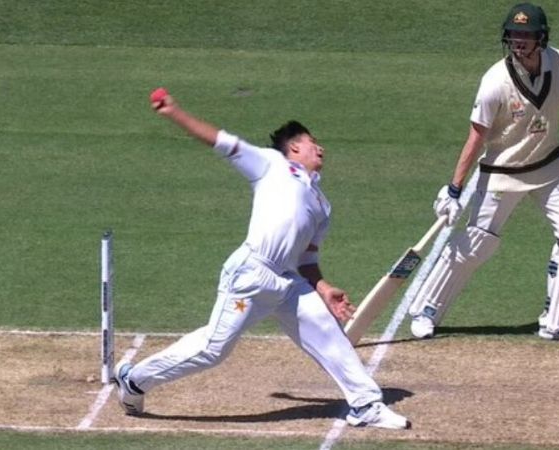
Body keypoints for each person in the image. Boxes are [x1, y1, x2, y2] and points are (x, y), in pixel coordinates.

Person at [113, 90, 411, 430]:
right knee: (213, 350)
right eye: (313, 142)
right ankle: (134, 380)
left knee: (325, 327)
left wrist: (324, 288)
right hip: (251, 275)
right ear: (294, 147)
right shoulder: (271, 164)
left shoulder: (322, 204)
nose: (321, 148)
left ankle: (366, 404)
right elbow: (221, 141)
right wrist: (174, 112)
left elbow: (307, 259)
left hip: (288, 282)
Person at [408, 2, 559, 342]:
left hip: (550, 166)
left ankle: (557, 321)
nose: (518, 41)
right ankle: (427, 309)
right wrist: (454, 189)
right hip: (502, 172)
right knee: (476, 244)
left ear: (541, 38)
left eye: (525, 35)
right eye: (513, 34)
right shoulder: (494, 81)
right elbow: (475, 138)